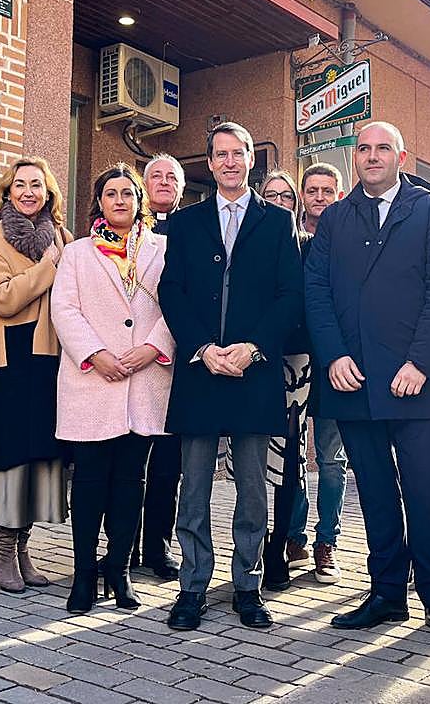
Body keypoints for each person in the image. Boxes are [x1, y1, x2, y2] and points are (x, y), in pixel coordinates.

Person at [305, 121, 430, 651]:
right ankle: (386, 593)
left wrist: (420, 362)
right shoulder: (335, 218)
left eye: (383, 148)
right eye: (364, 148)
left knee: (425, 494)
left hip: (416, 384)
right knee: (374, 494)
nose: (372, 156)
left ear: (402, 157)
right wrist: (333, 356)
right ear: (354, 157)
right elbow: (316, 292)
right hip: (352, 381)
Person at [158, 121, 303, 631]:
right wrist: (201, 347)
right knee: (194, 486)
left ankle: (248, 585)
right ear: (210, 162)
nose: (229, 162)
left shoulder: (278, 221)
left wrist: (254, 347)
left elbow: (290, 293)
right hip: (200, 370)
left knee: (253, 489)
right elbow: (171, 291)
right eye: (219, 154)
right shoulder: (185, 222)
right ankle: (193, 585)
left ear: (250, 159)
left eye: (237, 153)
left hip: (253, 371)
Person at [51, 163, 175, 614]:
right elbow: (64, 309)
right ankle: (84, 575)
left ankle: (120, 572)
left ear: (140, 201)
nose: (119, 200)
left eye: (127, 193)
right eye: (111, 193)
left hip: (144, 379)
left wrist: (153, 347)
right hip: (92, 380)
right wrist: (95, 353)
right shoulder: (77, 253)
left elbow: (178, 304)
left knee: (130, 484)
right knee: (88, 484)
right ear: (99, 203)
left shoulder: (162, 248)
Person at [0, 156, 73, 593]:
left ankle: (24, 549)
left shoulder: (64, 237)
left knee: (41, 453)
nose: (28, 192)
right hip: (12, 359)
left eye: (37, 184)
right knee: (12, 454)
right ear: (8, 192)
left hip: (52, 358)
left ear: (48, 192)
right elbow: (2, 299)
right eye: (20, 185)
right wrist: (47, 268)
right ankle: (3, 550)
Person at [288, 163, 349, 583]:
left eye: (328, 190)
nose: (320, 197)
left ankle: (327, 541)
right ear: (303, 196)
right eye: (313, 190)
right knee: (291, 456)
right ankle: (294, 536)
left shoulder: (348, 240)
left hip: (333, 363)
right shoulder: (287, 238)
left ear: (338, 195)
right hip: (292, 360)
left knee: (330, 459)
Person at [250, 170, 310, 591]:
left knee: (289, 456)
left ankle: (278, 547)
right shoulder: (248, 242)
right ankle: (252, 544)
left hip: (295, 360)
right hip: (254, 357)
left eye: (286, 196)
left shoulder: (309, 245)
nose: (279, 202)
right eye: (270, 195)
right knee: (253, 457)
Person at [130, 154, 186, 580]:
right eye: (156, 176)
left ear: (181, 189)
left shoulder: (191, 229)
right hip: (130, 364)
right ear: (143, 186)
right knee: (128, 465)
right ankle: (124, 546)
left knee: (168, 465)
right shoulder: (124, 233)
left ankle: (158, 547)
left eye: (172, 177)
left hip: (174, 362)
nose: (164, 182)